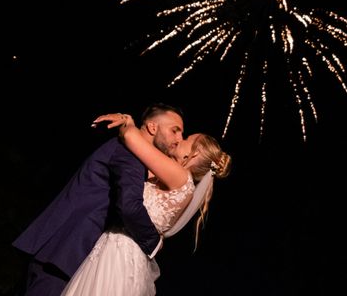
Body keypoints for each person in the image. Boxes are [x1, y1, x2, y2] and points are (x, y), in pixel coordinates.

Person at [12, 103, 185, 296]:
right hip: (67, 253)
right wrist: (153, 242)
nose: (179, 139)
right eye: (175, 130)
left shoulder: (129, 150)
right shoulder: (131, 156)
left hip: (61, 252)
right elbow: (129, 206)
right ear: (153, 127)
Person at [61, 112, 232, 296]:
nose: (179, 139)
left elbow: (131, 137)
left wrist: (127, 120)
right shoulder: (180, 183)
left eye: (186, 138)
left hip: (119, 255)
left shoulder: (180, 176)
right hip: (126, 255)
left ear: (194, 153)